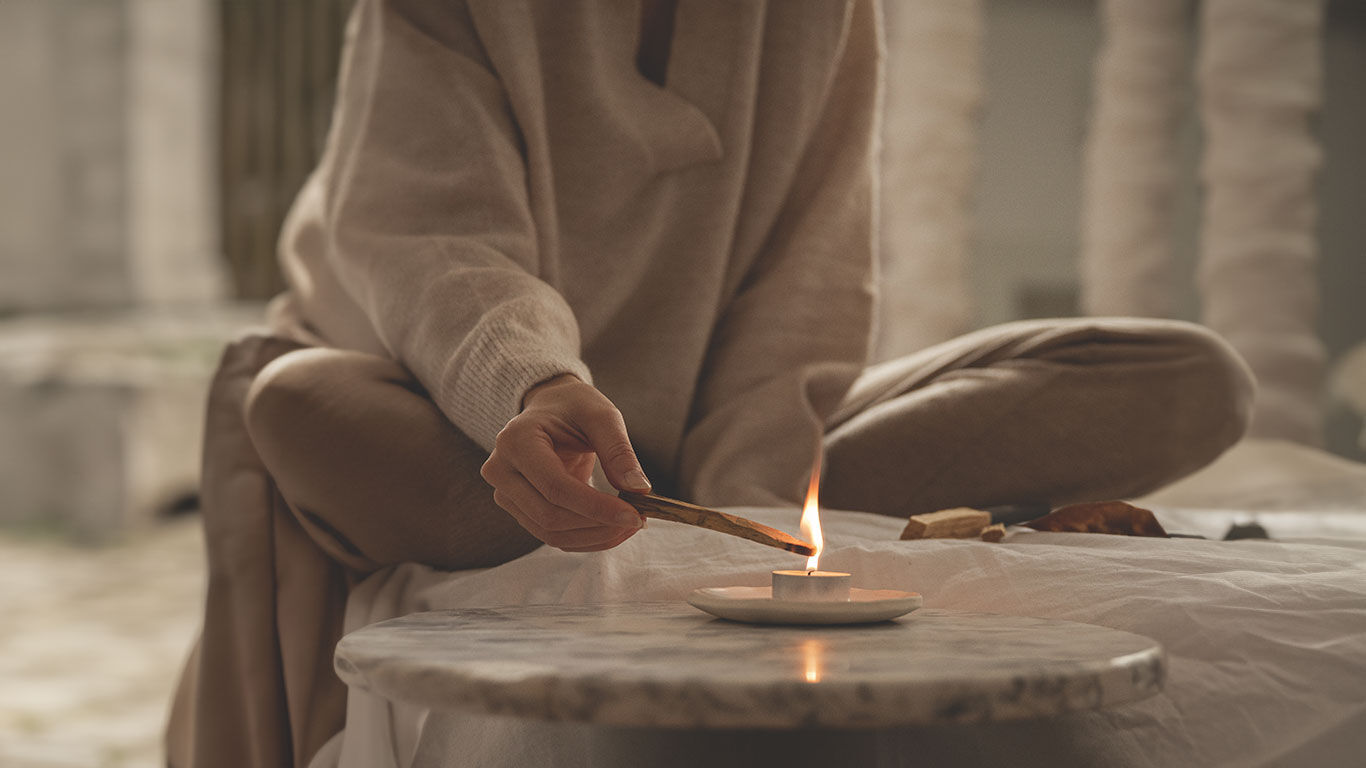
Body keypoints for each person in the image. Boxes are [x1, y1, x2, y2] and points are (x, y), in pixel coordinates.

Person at [167, 1, 1255, 766]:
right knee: (287, 400)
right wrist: (537, 389)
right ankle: (610, 507)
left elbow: (808, 288)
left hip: (716, 429)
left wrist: (758, 504)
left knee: (1185, 379)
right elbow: (431, 245)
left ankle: (690, 523)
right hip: (454, 410)